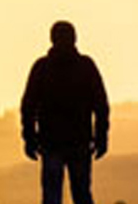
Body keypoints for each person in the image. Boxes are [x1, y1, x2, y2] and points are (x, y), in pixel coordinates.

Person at [20, 21, 111, 204]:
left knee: (52, 197)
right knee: (81, 194)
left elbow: (28, 107)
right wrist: (101, 137)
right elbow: (101, 105)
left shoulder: (42, 68)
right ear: (75, 38)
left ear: (51, 39)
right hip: (78, 141)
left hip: (51, 142)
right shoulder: (86, 66)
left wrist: (29, 138)